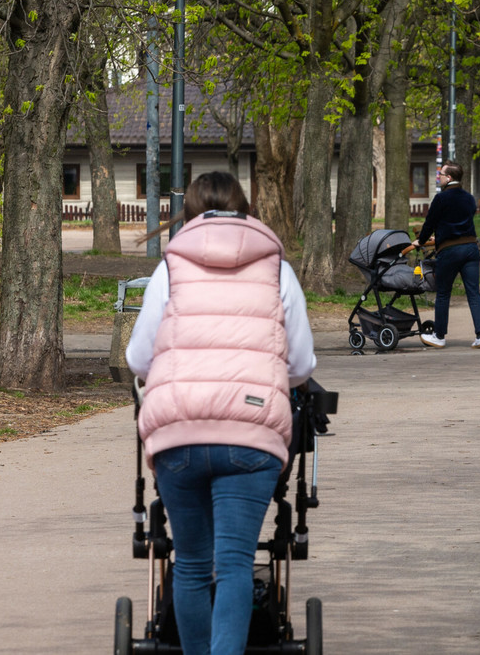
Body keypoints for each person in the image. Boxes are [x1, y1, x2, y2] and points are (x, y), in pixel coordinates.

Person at [125, 171, 317, 655]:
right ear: (248, 209)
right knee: (233, 564)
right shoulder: (278, 271)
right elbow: (301, 364)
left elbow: (138, 358)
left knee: (190, 564)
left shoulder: (170, 269)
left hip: (179, 431)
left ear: (186, 215)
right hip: (251, 434)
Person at [413, 159, 480, 349]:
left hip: (450, 250)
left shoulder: (441, 199)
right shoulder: (469, 198)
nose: (439, 178)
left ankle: (439, 336)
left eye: (441, 174)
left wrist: (420, 241)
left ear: (449, 177)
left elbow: (429, 223)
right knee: (474, 293)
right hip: (471, 248)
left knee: (444, 293)